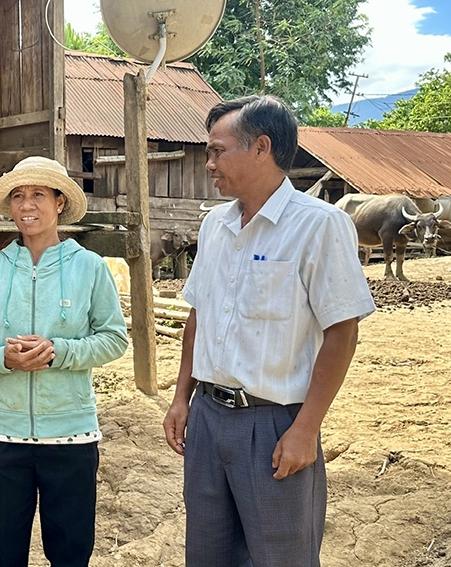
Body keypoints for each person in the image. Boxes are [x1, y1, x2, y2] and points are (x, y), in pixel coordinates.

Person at [162, 96, 376, 566]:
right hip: (208, 418)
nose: (209, 163)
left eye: (218, 150)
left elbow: (342, 331)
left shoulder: (319, 225)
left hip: (275, 424)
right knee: (208, 554)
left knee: (282, 557)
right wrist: (182, 398)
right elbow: (199, 315)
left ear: (261, 147)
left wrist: (307, 428)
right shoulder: (215, 225)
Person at [0, 156, 128, 567]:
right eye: (18, 196)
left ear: (60, 202)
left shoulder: (89, 267)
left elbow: (114, 339)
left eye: (37, 194)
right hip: (3, 436)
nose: (27, 205)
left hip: (71, 436)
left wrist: (58, 351)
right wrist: (3, 359)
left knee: (70, 554)